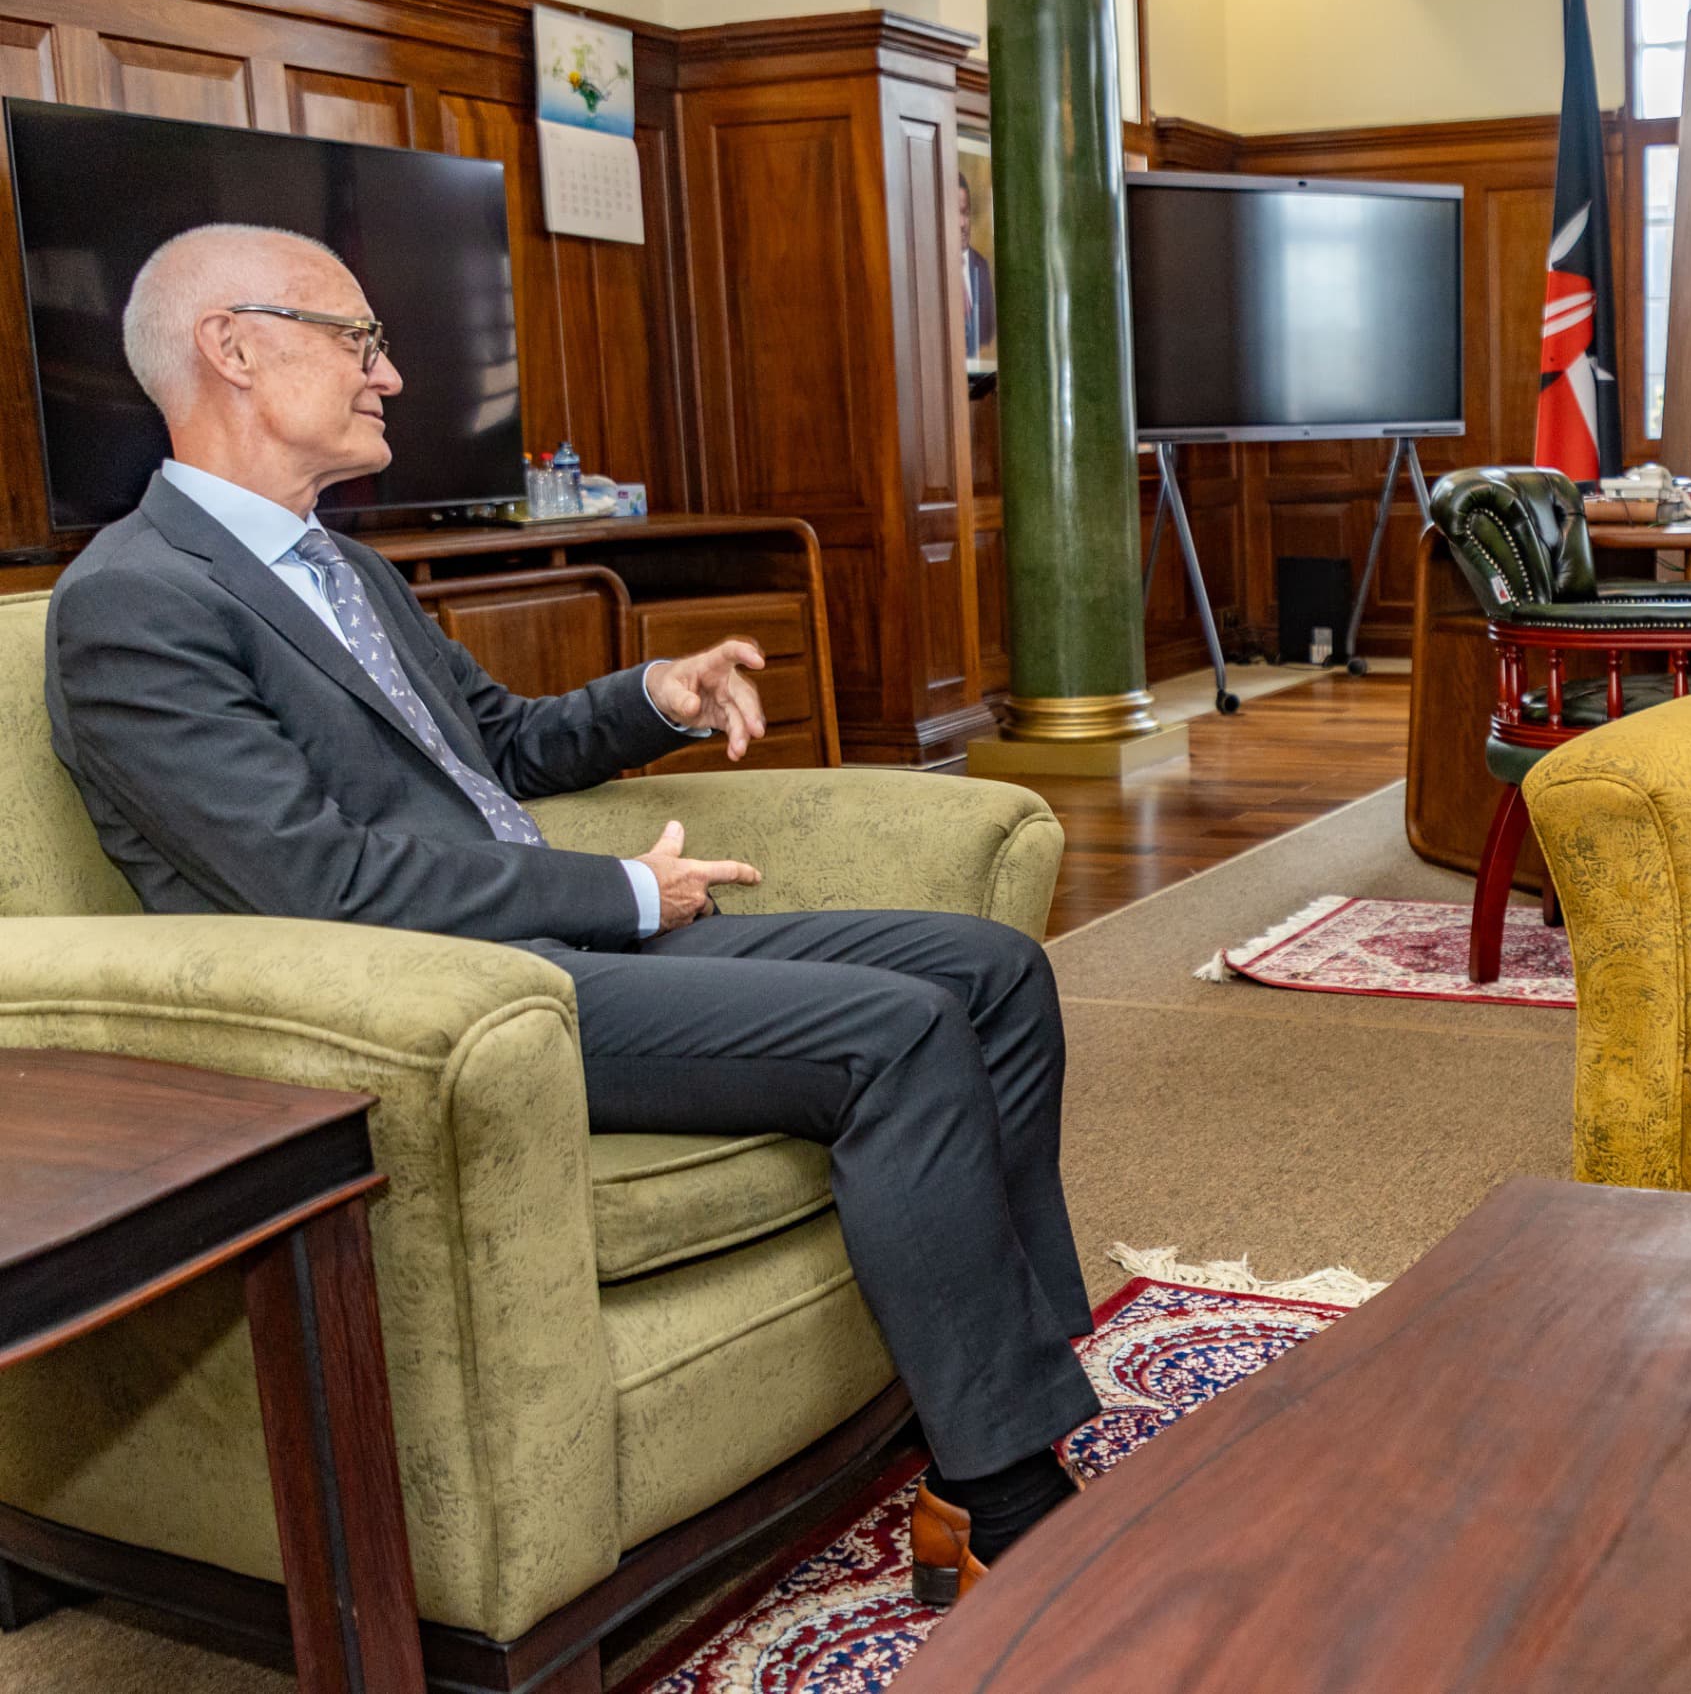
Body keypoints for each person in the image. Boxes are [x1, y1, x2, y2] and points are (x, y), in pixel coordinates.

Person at [43, 223, 1091, 1602]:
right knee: (895, 1031)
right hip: (447, 1004)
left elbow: (497, 742)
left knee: (995, 968)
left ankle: (999, 1387)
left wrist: (651, 694)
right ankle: (1011, 1501)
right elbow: (316, 884)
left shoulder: (335, 566)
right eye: (358, 339)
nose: (394, 374)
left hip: (550, 951)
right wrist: (621, 892)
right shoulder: (134, 602)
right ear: (230, 347)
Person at [959, 173, 995, 360]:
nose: (962, 224)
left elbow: (990, 335)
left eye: (965, 213)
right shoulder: (930, 275)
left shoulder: (982, 266)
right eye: (955, 214)